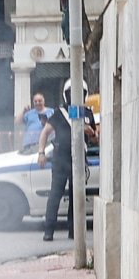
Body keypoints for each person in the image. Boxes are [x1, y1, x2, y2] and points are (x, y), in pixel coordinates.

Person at [39, 82, 96, 241]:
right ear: (66, 94)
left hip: (78, 161)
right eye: (72, 92)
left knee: (76, 196)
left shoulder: (87, 113)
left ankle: (74, 231)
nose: (75, 95)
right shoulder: (59, 113)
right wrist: (41, 152)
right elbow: (45, 133)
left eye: (79, 92)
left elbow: (95, 137)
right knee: (55, 195)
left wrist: (90, 132)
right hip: (60, 159)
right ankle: (49, 231)